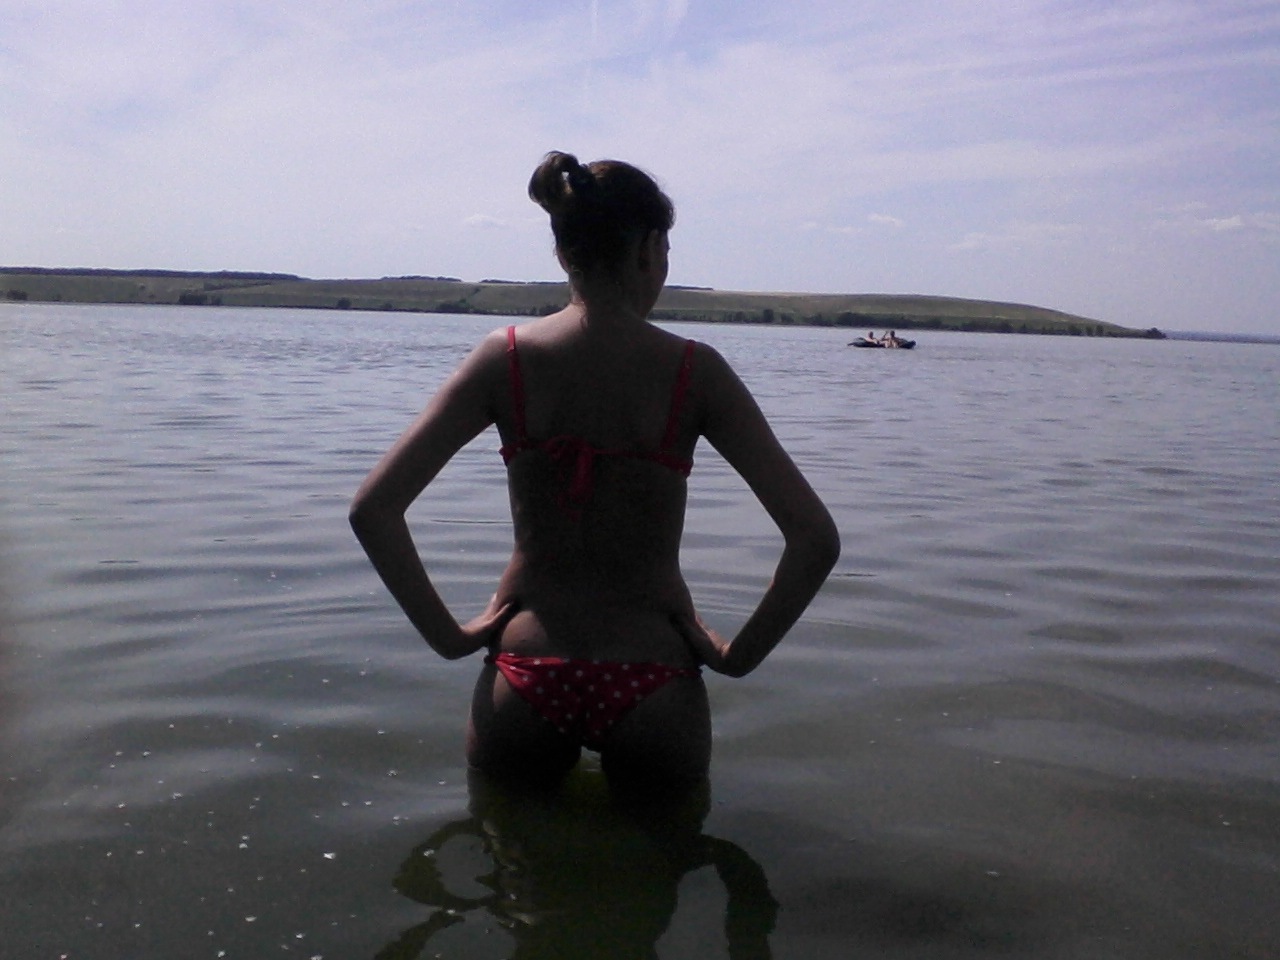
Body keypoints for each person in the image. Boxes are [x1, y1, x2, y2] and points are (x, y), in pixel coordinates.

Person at [350, 151, 839, 790]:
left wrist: (450, 638)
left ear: (562, 252)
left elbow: (374, 510)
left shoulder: (504, 359)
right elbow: (814, 538)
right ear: (652, 249)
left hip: (525, 671)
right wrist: (737, 656)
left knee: (512, 848)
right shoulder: (695, 372)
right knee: (662, 851)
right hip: (654, 674)